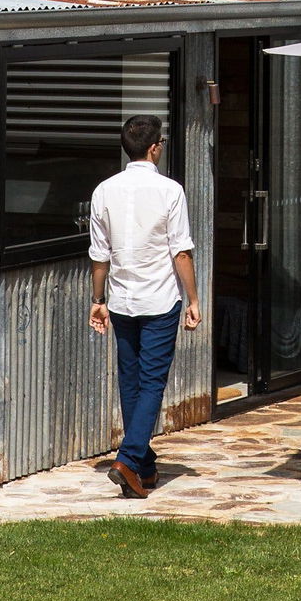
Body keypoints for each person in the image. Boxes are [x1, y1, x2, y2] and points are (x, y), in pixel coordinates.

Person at [88, 114, 201, 497]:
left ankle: (144, 466)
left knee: (130, 380)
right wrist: (194, 299)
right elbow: (180, 253)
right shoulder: (170, 191)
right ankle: (129, 458)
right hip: (159, 299)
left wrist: (97, 300)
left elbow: (99, 255)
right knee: (152, 382)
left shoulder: (104, 190)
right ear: (156, 147)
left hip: (121, 299)